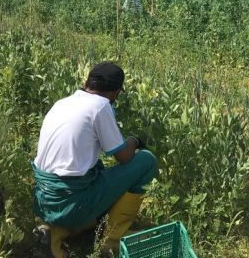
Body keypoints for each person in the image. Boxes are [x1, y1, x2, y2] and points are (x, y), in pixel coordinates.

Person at [32, 62, 158, 257]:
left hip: (44, 201)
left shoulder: (62, 103)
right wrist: (134, 140)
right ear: (116, 93)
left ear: (86, 83)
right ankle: (111, 241)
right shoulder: (100, 106)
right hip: (72, 205)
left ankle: (53, 232)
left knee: (96, 166)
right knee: (146, 161)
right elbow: (124, 157)